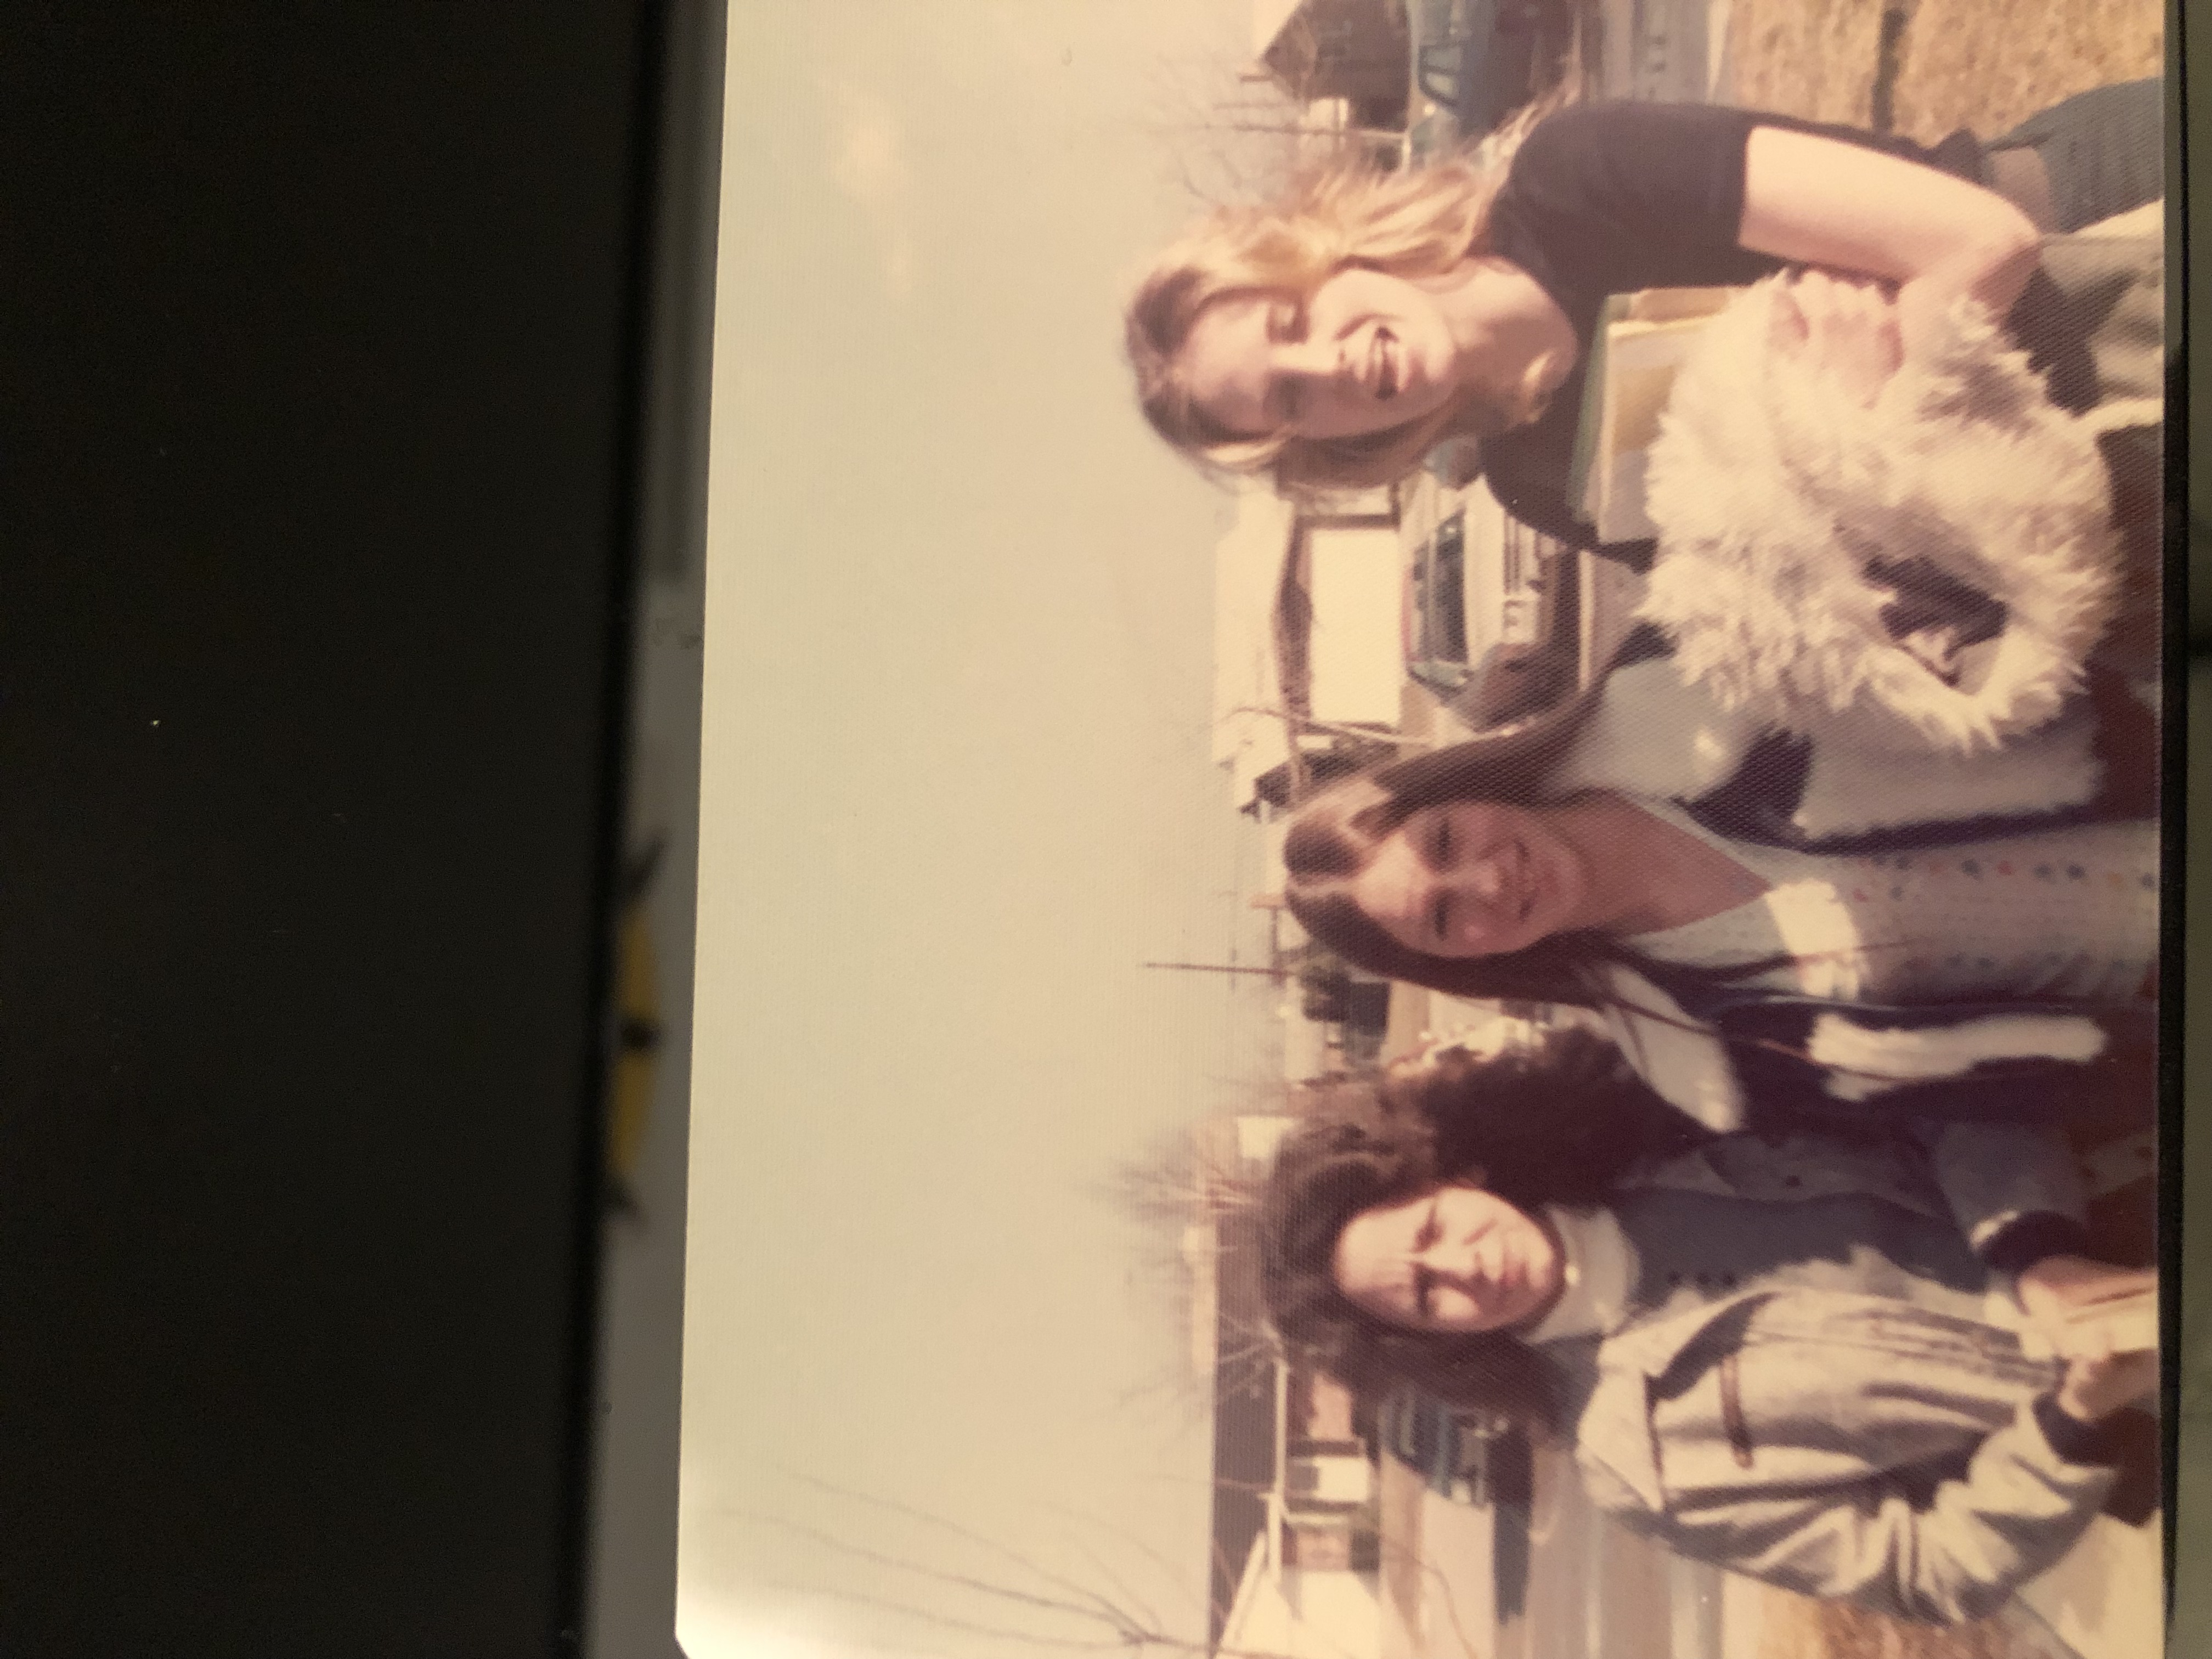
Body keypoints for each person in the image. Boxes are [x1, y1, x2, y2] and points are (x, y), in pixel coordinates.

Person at [1257, 1099, 2159, 1624]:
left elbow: (1942, 1098)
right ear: (1437, 1344)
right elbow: (1927, 1568)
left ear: (1445, 1178)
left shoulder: (1657, 1121)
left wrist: (2038, 1251)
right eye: (1423, 1295)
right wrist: (2073, 1419)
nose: (1461, 1265)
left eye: (1430, 1230)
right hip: (2154, 1419)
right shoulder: (1637, 1461)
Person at [1127, 82, 2164, 538]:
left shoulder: (1580, 175)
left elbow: (1983, 246)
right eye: (1292, 405)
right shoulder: (1537, 481)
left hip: (2115, 251)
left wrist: (1867, 427)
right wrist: (1866, 441)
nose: (1334, 369)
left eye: (1292, 325)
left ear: (1321, 255)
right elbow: (1812, 568)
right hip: (2081, 468)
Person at [1278, 697, 2157, 1129]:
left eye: (1442, 840)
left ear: (1456, 787)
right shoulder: (1695, 1055)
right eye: (1441, 920)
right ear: (1455, 967)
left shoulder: (1693, 689)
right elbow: (1973, 1109)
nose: (1483, 883)